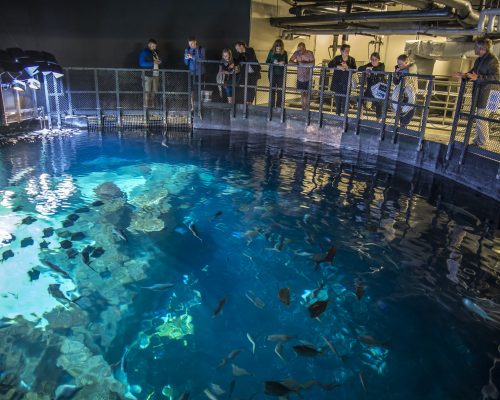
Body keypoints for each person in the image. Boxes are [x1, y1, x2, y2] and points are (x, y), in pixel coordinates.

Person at [453, 37, 500, 147]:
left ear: (482, 48)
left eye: (476, 47)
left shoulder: (493, 60)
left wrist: (478, 77)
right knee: (479, 116)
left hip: (491, 93)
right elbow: (473, 74)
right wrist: (464, 75)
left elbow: (497, 77)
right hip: (482, 92)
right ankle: (479, 139)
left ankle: (483, 141)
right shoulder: (479, 60)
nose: (474, 48)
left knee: (481, 116)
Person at [328, 44, 356, 115]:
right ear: (341, 51)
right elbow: (329, 65)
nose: (347, 52)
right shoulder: (337, 58)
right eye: (346, 51)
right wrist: (338, 66)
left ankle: (344, 117)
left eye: (348, 51)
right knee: (338, 101)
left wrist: (348, 68)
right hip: (337, 83)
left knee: (345, 102)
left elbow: (355, 70)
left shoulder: (351, 60)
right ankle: (338, 115)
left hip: (346, 83)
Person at [357, 52, 386, 122]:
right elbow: (360, 68)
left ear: (379, 60)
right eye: (372, 59)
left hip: (379, 89)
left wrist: (370, 69)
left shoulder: (382, 65)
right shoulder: (369, 65)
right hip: (370, 89)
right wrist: (367, 68)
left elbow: (379, 70)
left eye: (375, 60)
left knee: (379, 103)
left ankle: (378, 121)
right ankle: (360, 117)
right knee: (359, 99)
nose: (373, 61)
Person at [392, 54, 417, 127]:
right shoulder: (398, 69)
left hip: (411, 93)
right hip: (400, 93)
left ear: (407, 63)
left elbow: (410, 70)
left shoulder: (412, 66)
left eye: (400, 64)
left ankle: (403, 128)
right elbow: (395, 82)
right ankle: (400, 129)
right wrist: (396, 75)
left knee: (408, 114)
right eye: (398, 63)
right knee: (400, 114)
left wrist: (400, 72)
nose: (399, 65)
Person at [289, 42, 315, 110]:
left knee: (307, 93)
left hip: (308, 77)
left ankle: (306, 108)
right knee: (302, 93)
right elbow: (289, 62)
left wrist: (303, 64)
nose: (300, 51)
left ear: (304, 48)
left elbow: (312, 64)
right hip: (300, 77)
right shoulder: (296, 53)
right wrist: (297, 64)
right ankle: (303, 108)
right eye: (299, 49)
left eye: (301, 49)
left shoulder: (310, 53)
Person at [138, 39, 162, 108]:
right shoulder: (144, 52)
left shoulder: (155, 52)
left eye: (155, 46)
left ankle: (152, 107)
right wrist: (153, 63)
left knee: (154, 92)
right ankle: (146, 108)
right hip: (147, 75)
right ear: (149, 45)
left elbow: (158, 61)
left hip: (156, 74)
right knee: (147, 92)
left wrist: (160, 62)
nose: (154, 47)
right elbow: (142, 63)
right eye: (153, 46)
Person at [184, 36, 205, 111]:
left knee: (200, 90)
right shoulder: (187, 49)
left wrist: (192, 57)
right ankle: (193, 107)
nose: (191, 45)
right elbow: (186, 63)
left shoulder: (201, 49)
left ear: (195, 42)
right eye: (190, 44)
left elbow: (202, 60)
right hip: (191, 73)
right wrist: (186, 58)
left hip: (200, 73)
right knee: (191, 91)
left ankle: (201, 107)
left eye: (192, 43)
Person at [266, 39, 288, 109]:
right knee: (272, 89)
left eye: (280, 48)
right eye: (277, 48)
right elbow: (267, 61)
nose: (278, 49)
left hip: (281, 74)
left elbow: (286, 62)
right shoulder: (271, 52)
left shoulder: (285, 53)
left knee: (280, 90)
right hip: (272, 73)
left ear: (282, 47)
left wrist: (283, 63)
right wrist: (273, 62)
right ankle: (271, 106)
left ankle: (279, 106)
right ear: (275, 47)